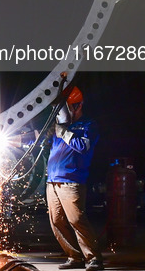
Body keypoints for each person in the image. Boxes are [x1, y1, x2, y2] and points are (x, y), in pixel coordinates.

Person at [47, 86, 103, 271]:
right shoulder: (61, 127)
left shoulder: (88, 125)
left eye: (65, 109)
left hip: (72, 181)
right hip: (52, 182)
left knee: (76, 219)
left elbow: (83, 146)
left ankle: (93, 258)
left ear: (77, 106)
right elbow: (38, 142)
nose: (62, 114)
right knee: (56, 221)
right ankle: (74, 256)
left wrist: (63, 132)